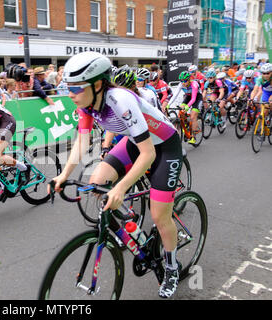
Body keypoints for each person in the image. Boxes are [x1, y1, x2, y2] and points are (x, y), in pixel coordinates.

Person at [50, 52, 182, 299]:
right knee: (96, 182)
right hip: (136, 142)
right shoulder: (86, 103)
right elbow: (82, 142)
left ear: (98, 84)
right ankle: (133, 227)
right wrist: (62, 176)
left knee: (159, 215)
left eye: (76, 88)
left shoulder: (120, 100)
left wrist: (121, 188)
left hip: (163, 146)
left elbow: (148, 154)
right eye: (69, 87)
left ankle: (172, 268)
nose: (70, 94)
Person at [168, 71, 204, 144]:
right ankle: (186, 125)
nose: (183, 83)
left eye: (185, 81)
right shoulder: (181, 84)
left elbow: (193, 99)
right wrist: (168, 104)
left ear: (189, 79)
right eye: (181, 81)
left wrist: (187, 106)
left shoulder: (194, 84)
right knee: (180, 111)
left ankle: (193, 137)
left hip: (197, 98)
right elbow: (174, 95)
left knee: (193, 116)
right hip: (188, 96)